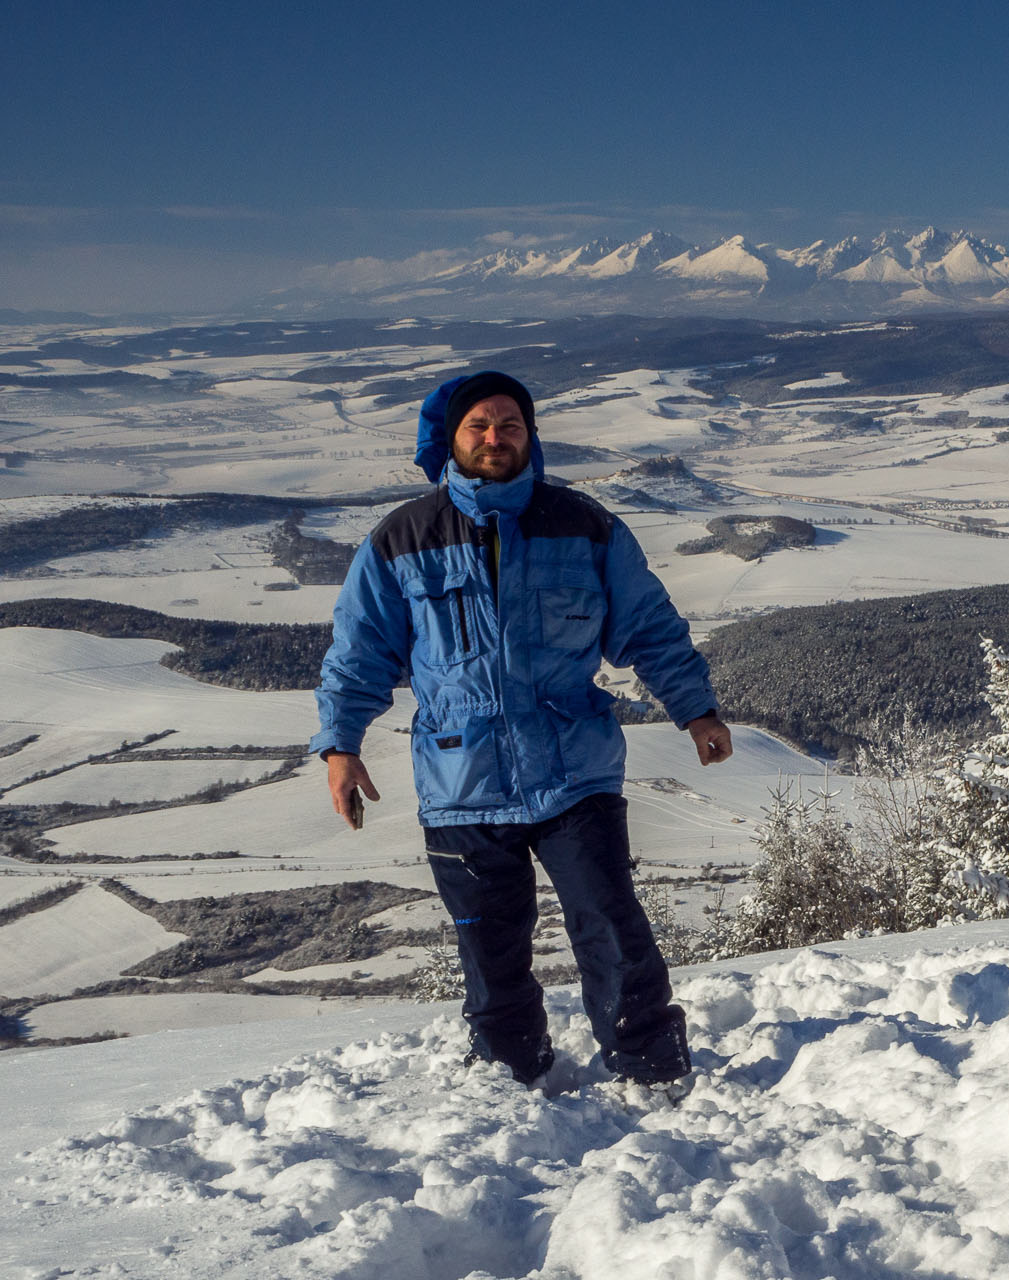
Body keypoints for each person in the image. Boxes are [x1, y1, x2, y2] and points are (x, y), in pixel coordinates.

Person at [311, 370, 732, 1090]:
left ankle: (651, 1065)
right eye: (479, 425)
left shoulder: (586, 525)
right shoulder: (402, 539)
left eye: (510, 424)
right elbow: (358, 653)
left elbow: (650, 627)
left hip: (574, 767)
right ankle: (510, 1071)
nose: (495, 437)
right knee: (489, 945)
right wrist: (340, 747)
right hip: (461, 780)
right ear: (451, 439)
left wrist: (695, 709)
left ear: (530, 436)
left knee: (610, 920)